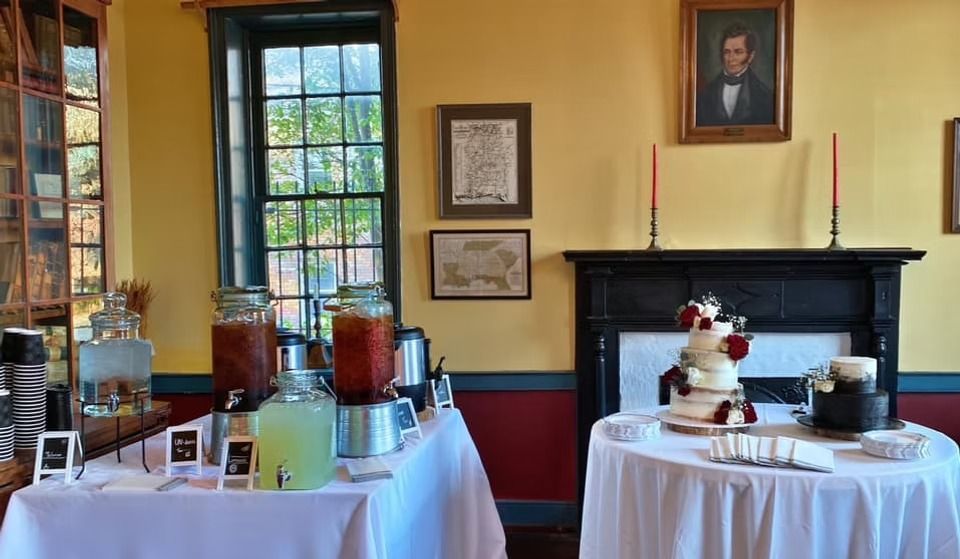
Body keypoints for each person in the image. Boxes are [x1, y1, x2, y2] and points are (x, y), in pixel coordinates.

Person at [696, 22, 775, 127]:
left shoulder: (766, 97)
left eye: (738, 52)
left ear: (751, 56)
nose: (731, 58)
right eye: (727, 52)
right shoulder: (704, 94)